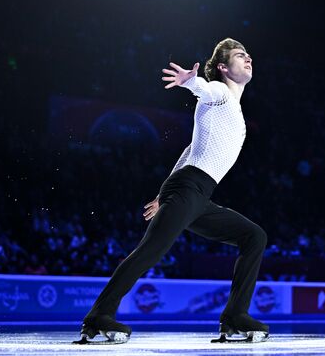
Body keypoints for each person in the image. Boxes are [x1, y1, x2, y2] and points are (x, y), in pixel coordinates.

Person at [75, 38, 269, 344]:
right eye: (239, 55)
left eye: (248, 54)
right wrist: (191, 82)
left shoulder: (231, 108)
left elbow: (190, 151)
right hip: (189, 188)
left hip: (196, 193)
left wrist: (162, 192)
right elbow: (204, 88)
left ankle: (234, 317)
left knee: (254, 236)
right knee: (150, 251)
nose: (248, 58)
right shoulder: (219, 94)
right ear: (222, 67)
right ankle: (98, 317)